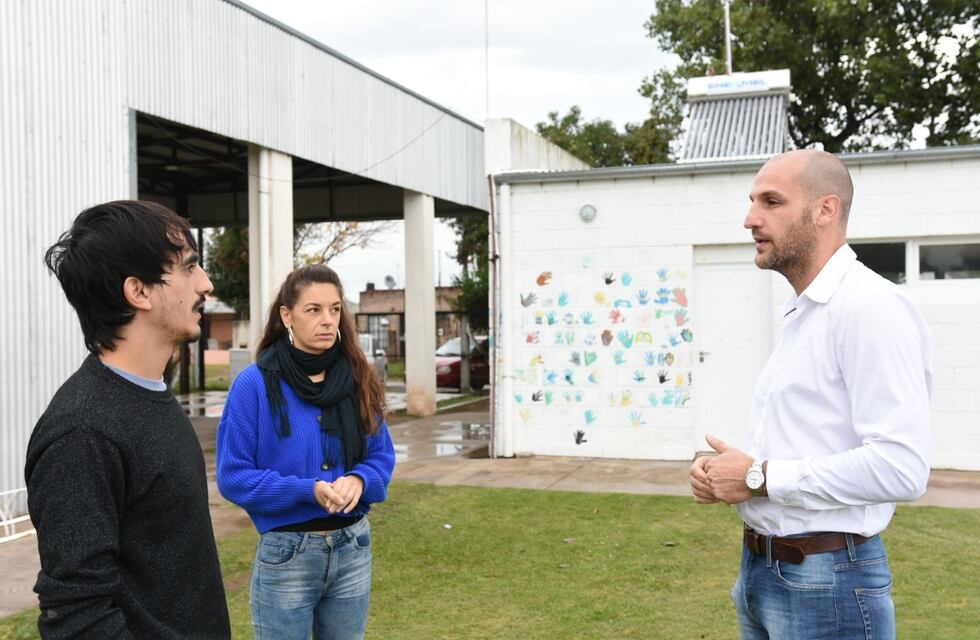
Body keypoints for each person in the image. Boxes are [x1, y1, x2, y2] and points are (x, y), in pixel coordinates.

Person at [690, 149, 932, 639]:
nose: (750, 218)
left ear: (826, 210)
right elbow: (808, 437)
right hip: (763, 571)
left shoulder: (870, 309)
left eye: (771, 202)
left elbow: (901, 467)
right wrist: (728, 472)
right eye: (752, 201)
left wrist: (758, 477)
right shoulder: (805, 309)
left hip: (829, 583)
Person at [25, 201, 231, 638]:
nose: (206, 284)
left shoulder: (150, 394)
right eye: (190, 267)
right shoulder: (82, 433)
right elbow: (78, 618)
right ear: (139, 291)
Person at [216, 264, 395, 640]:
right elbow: (233, 477)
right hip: (287, 554)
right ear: (287, 316)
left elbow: (381, 457)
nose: (328, 320)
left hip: (353, 546)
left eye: (334, 309)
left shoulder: (358, 376)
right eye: (314, 310)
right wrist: (306, 490)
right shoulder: (254, 385)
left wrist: (359, 479)